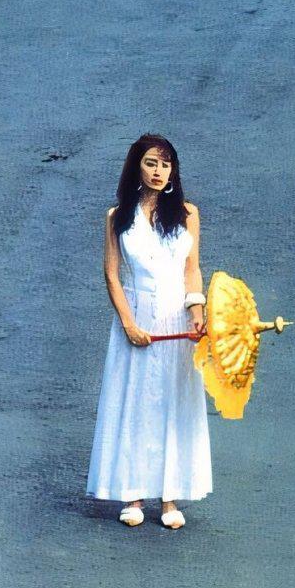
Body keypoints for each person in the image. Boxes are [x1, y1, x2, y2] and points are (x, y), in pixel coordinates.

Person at [87, 134, 212, 528]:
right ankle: (134, 495)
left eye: (166, 165)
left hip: (177, 316)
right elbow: (111, 274)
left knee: (175, 403)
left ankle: (170, 499)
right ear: (136, 167)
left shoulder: (188, 213)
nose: (159, 172)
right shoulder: (117, 216)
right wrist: (128, 323)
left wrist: (197, 309)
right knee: (135, 403)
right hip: (138, 316)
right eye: (151, 164)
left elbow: (192, 268)